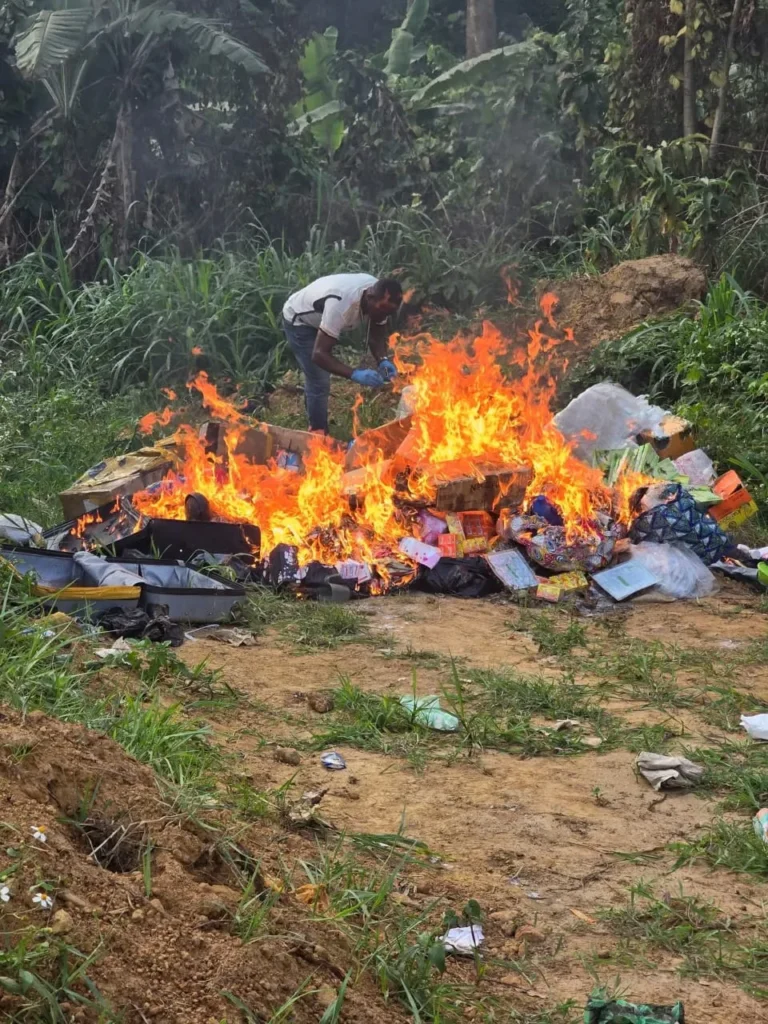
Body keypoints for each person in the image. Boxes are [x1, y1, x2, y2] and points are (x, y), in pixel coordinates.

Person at [282, 273, 403, 433]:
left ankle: (314, 414)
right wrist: (355, 374)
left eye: (388, 314)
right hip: (299, 320)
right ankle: (318, 434)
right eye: (381, 311)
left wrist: (382, 360)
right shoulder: (341, 306)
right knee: (319, 379)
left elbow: (376, 334)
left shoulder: (380, 298)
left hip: (324, 315)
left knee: (317, 378)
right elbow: (319, 354)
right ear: (370, 297)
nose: (383, 316)